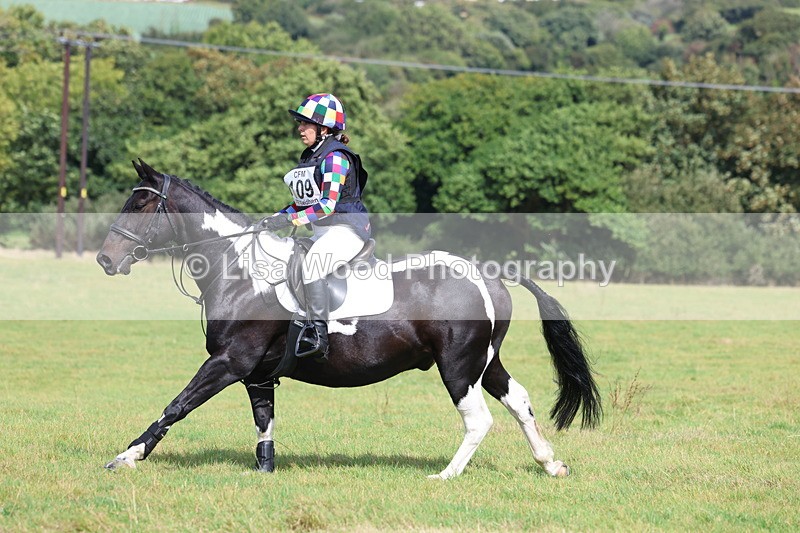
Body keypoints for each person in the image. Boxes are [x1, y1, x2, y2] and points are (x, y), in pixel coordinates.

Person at [261, 93, 370, 358]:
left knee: (313, 265)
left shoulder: (336, 158)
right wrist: (272, 219)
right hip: (323, 233)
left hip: (346, 231)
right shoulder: (311, 157)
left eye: (305, 123)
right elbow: (302, 204)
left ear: (324, 128)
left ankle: (318, 336)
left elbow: (326, 206)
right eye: (300, 123)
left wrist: (289, 219)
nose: (299, 128)